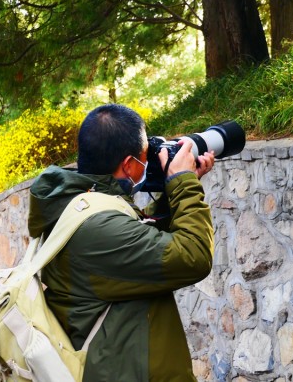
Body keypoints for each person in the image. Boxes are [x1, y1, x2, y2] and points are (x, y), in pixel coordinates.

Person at [28, 104, 215, 381]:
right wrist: (184, 183)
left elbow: (139, 239)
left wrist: (175, 190)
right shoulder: (98, 226)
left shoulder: (80, 204)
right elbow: (194, 256)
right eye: (143, 158)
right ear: (128, 164)